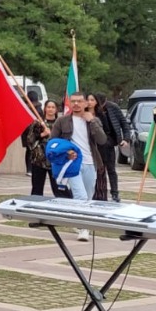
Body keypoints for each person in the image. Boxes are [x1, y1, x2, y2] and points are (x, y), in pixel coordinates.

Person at [52, 92, 104, 240]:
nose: (76, 104)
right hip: (72, 164)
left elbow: (102, 140)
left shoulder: (93, 120)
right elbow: (52, 143)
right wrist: (65, 151)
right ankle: (84, 228)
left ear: (85, 104)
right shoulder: (62, 121)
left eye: (79, 101)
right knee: (80, 195)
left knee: (87, 196)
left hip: (90, 162)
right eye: (73, 101)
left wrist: (92, 121)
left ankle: (79, 222)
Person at [92, 92, 129, 202]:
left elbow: (123, 123)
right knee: (97, 169)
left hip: (109, 141)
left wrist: (125, 138)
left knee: (111, 169)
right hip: (95, 142)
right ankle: (97, 191)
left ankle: (115, 193)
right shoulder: (91, 110)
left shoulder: (113, 107)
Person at [21, 101, 62, 196]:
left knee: (58, 188)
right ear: (45, 109)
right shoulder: (38, 123)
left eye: (53, 107)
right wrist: (42, 134)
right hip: (39, 160)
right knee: (37, 188)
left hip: (55, 161)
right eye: (48, 107)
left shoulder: (60, 123)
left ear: (56, 109)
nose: (50, 109)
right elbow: (29, 140)